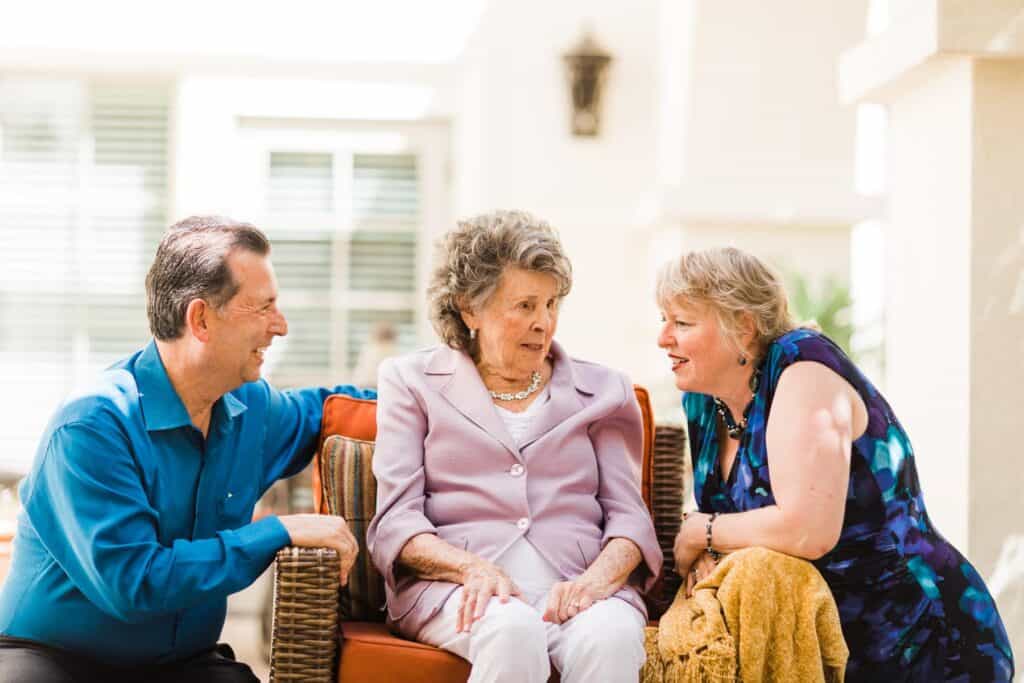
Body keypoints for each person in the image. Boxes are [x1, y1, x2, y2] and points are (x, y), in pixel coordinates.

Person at [0, 216, 373, 682]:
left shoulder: (252, 406)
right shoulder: (92, 426)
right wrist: (278, 531)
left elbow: (334, 410)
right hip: (55, 658)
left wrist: (443, 388)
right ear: (200, 319)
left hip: (180, 664)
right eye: (263, 308)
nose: (280, 326)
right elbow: (136, 582)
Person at [656, 247, 1014, 681]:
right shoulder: (703, 401)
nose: (664, 338)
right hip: (827, 648)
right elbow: (745, 531)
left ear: (743, 327)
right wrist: (707, 552)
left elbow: (808, 530)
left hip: (918, 638)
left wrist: (702, 530)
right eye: (664, 320)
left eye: (682, 323)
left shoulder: (802, 366)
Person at [366, 210, 662, 683]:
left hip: (579, 587)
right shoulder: (411, 382)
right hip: (460, 590)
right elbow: (397, 521)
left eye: (551, 304)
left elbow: (629, 517)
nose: (543, 323)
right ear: (469, 309)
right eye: (525, 306)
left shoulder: (606, 390)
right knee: (512, 630)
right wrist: (470, 569)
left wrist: (595, 583)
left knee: (612, 638)